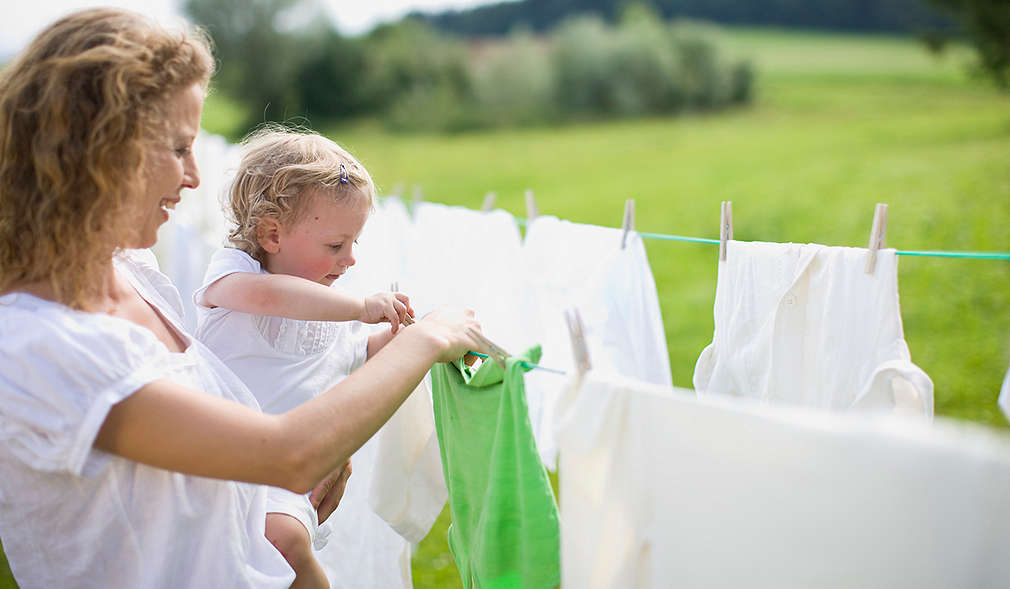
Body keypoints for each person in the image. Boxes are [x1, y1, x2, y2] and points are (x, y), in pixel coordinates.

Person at [0, 9, 487, 589]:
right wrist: (430, 337)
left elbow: (228, 451)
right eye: (179, 148)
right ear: (103, 153)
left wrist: (322, 449)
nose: (195, 177)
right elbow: (286, 454)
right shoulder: (35, 346)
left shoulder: (131, 272)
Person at [193, 127, 415, 588]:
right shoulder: (235, 276)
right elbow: (271, 298)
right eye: (336, 245)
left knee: (284, 541)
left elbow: (365, 354)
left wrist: (408, 337)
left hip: (285, 475)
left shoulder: (330, 308)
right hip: (214, 461)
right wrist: (360, 308)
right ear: (271, 234)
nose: (350, 259)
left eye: (354, 243)